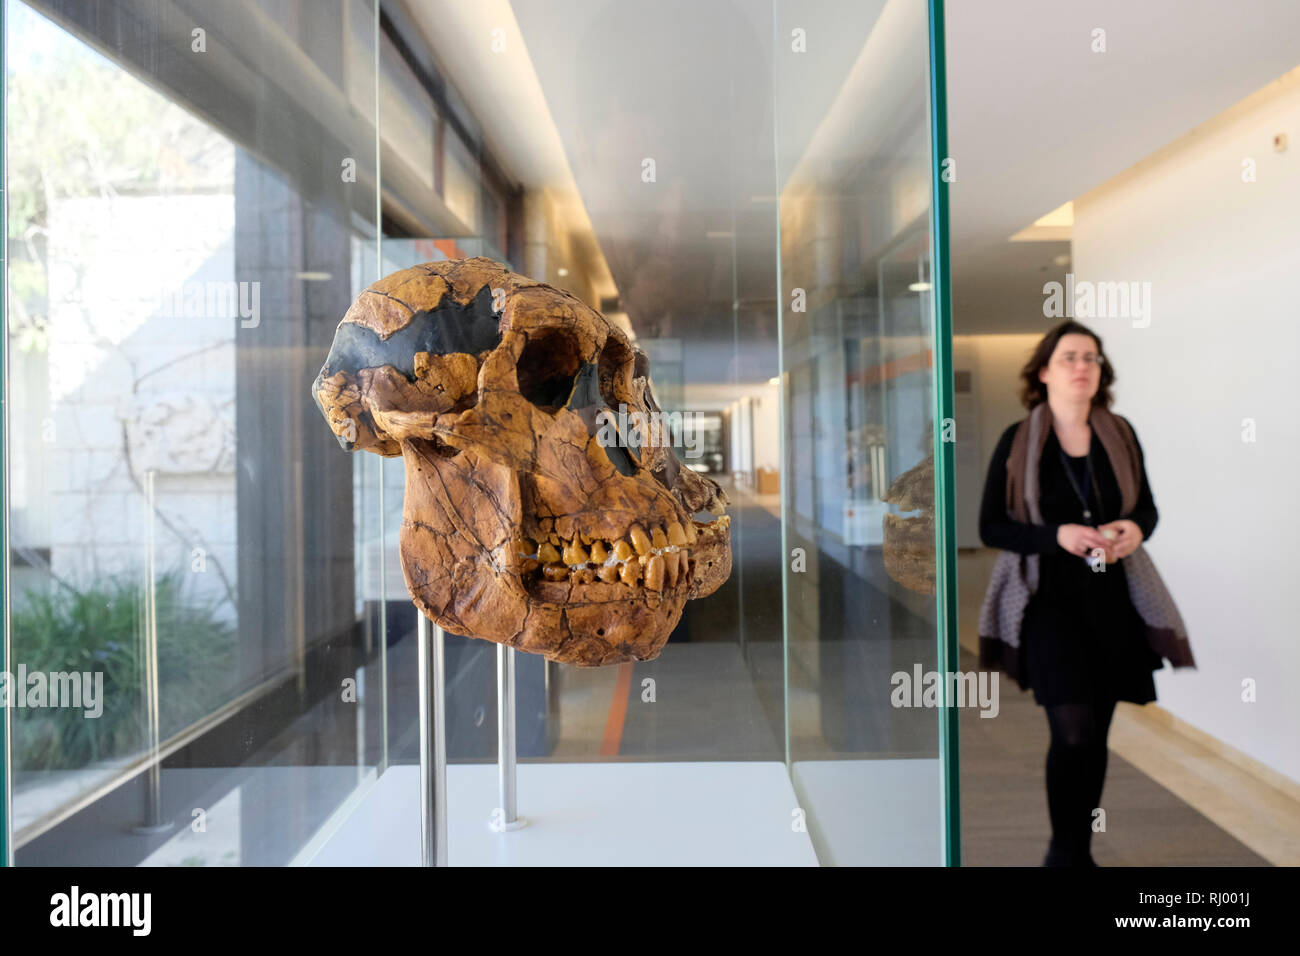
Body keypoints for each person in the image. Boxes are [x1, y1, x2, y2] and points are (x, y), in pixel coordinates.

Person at [979, 320, 1164, 867]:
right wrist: (1054, 535)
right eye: (1070, 357)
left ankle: (1079, 852)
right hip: (1048, 604)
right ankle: (1064, 853)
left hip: (1113, 602)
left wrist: (1134, 530)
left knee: (1097, 731)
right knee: (1073, 730)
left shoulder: (1120, 433)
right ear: (1043, 371)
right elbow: (991, 527)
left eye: (1092, 357)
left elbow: (1147, 509)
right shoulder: (1018, 440)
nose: (1083, 366)